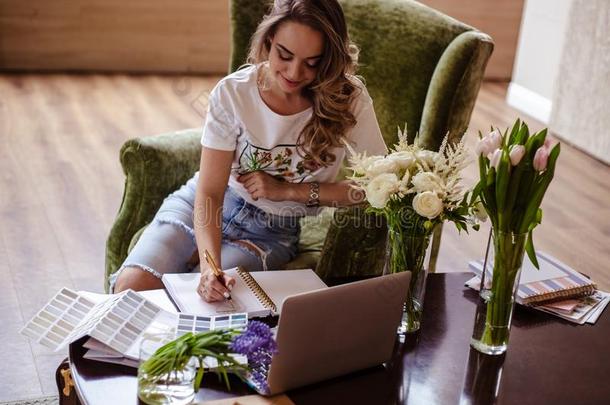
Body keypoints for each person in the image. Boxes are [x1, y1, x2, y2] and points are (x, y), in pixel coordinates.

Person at [111, 0, 387, 302]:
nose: (295, 72)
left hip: (270, 231)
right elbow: (210, 192)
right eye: (285, 55)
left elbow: (379, 188)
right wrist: (209, 267)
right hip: (204, 207)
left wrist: (290, 191)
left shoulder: (349, 99)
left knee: (203, 302)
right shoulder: (233, 93)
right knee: (130, 289)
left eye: (312, 62)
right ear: (268, 42)